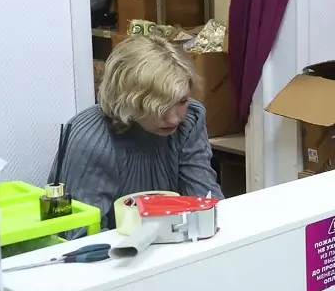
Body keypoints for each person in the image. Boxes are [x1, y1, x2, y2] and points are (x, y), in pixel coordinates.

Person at [49, 34, 224, 234]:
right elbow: (81, 235)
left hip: (170, 240)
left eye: (181, 101)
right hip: (113, 247)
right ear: (126, 100)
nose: (174, 119)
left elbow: (207, 202)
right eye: (159, 106)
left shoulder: (189, 120)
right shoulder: (92, 139)